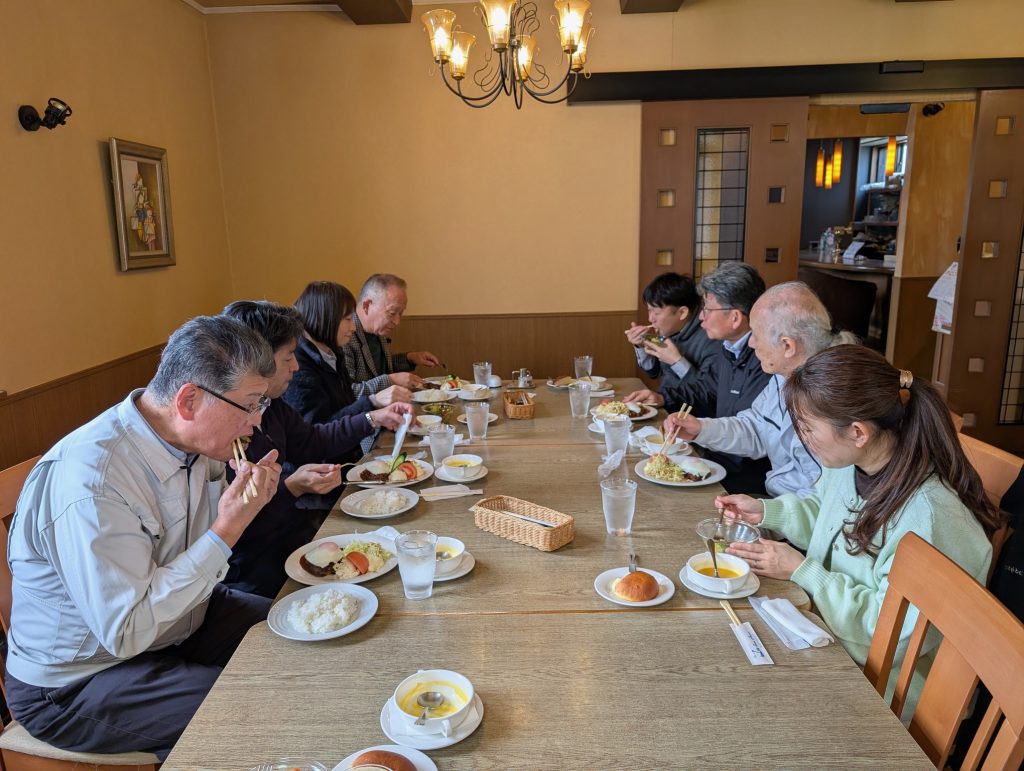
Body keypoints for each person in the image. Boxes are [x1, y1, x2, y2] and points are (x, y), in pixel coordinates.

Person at [5, 316, 284, 759]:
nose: (256, 423)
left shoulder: (194, 443)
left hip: (176, 622)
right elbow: (127, 630)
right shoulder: (93, 482)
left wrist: (243, 505)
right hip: (76, 679)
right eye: (250, 406)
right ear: (189, 399)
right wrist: (229, 526)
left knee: (296, 628)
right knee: (248, 708)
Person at [716, 345, 1002, 716]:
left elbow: (888, 632)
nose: (802, 437)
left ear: (857, 432)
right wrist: (768, 512)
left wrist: (803, 570)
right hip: (826, 635)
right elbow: (826, 516)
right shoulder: (853, 464)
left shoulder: (930, 519)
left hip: (887, 690)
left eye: (808, 428)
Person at [222, 300, 413, 597]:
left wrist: (372, 418)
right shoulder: (224, 429)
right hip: (259, 570)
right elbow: (239, 531)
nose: (295, 366)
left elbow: (311, 441)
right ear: (258, 360)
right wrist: (292, 487)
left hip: (294, 536)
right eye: (288, 357)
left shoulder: (272, 406)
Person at [663, 281, 857, 498]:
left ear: (787, 346)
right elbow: (756, 428)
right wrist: (701, 429)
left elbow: (824, 497)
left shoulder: (835, 397)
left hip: (799, 511)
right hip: (779, 501)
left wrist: (770, 511)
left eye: (756, 334)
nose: (751, 343)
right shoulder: (783, 377)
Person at [625, 262, 771, 494]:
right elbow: (706, 390)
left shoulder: (765, 360)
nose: (701, 317)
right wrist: (662, 398)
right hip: (714, 457)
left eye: (708, 309)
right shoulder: (729, 348)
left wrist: (701, 430)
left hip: (742, 476)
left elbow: (754, 434)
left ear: (735, 317)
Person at [344, 273, 441, 396]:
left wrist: (410, 358)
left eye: (400, 313)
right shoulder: (344, 336)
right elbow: (347, 392)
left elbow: (379, 368)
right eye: (392, 312)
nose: (397, 321)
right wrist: (391, 380)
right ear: (367, 305)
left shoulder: (377, 329)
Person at [623, 272, 717, 398]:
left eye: (656, 313)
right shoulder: (670, 330)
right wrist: (641, 344)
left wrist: (675, 361)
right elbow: (653, 372)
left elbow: (708, 393)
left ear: (682, 313)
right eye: (649, 311)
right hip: (666, 401)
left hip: (688, 409)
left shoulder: (711, 337)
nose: (650, 319)